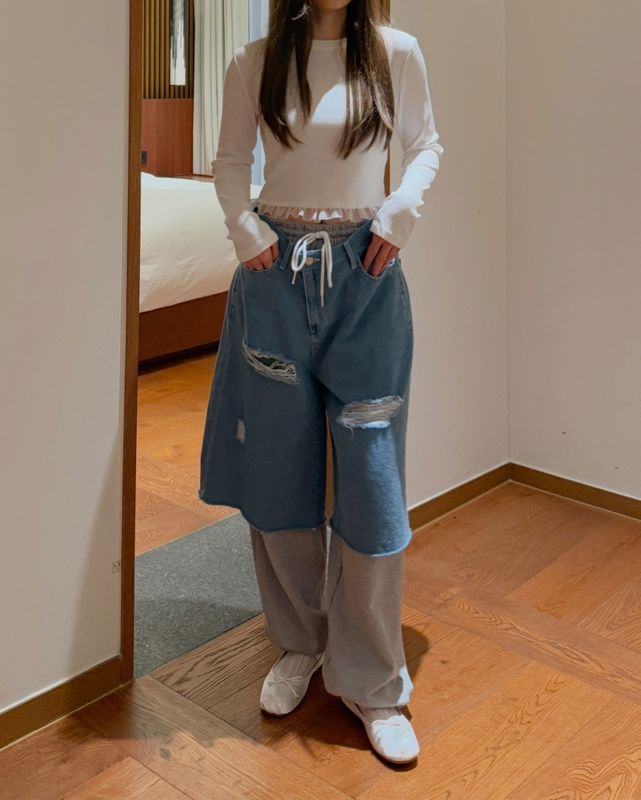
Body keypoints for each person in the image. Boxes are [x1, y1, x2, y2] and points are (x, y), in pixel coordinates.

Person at [198, 0, 444, 764]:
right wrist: (244, 230)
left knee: (370, 477)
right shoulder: (255, 60)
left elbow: (425, 144)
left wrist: (399, 213)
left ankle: (373, 680)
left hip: (365, 277)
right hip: (273, 276)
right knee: (277, 468)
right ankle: (301, 642)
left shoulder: (397, 52)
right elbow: (230, 159)